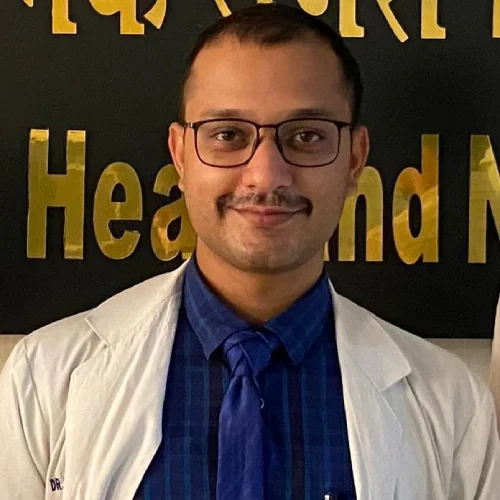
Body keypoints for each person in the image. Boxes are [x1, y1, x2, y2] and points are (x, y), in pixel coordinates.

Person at [1, 4, 499, 499]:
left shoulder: (453, 407)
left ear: (354, 158)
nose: (265, 176)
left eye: (306, 136)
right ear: (180, 155)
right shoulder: (44, 380)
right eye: (228, 135)